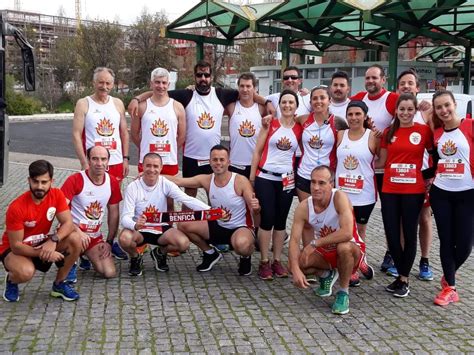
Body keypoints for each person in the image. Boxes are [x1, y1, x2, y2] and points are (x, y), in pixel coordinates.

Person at [129, 61, 265, 197]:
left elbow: (246, 93)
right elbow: (159, 91)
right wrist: (136, 98)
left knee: (216, 196)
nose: (203, 79)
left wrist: (267, 102)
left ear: (211, 77)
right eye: (200, 75)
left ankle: (214, 219)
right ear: (195, 77)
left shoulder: (221, 94)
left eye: (206, 75)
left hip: (214, 158)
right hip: (191, 157)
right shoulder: (187, 94)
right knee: (189, 195)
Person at [375, 93, 434, 298]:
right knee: (392, 235)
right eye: (402, 109)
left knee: (409, 234)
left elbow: (434, 154)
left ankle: (404, 278)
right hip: (390, 189)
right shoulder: (388, 132)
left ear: (415, 110)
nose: (406, 113)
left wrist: (427, 177)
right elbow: (381, 161)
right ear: (396, 111)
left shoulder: (423, 131)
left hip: (413, 191)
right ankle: (400, 274)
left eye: (410, 109)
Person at [169, 145, 260, 275]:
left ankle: (245, 257)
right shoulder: (207, 179)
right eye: (215, 159)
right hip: (217, 225)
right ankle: (210, 253)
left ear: (229, 162)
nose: (218, 163)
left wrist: (256, 209)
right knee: (183, 223)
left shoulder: (240, 181)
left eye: (222, 160)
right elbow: (178, 181)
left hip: (240, 227)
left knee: (242, 245)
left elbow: (254, 209)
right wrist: (152, 175)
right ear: (210, 161)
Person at [289, 165, 365, 315]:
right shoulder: (304, 206)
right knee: (299, 261)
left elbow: (347, 233)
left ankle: (343, 293)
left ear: (332, 184)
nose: (316, 187)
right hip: (326, 251)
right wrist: (295, 269)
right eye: (313, 182)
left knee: (344, 247)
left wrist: (314, 244)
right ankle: (326, 276)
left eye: (322, 183)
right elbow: (293, 241)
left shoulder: (339, 198)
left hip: (351, 249)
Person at [1, 160, 81, 302]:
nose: (39, 186)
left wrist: (53, 240)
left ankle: (59, 284)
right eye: (35, 182)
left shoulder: (56, 195)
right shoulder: (17, 207)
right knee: (26, 272)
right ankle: (12, 280)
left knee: (75, 239)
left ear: (52, 181)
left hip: (42, 242)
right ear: (29, 180)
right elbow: (16, 246)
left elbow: (68, 223)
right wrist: (46, 253)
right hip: (15, 250)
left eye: (44, 182)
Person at [119, 152, 211, 276]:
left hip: (160, 228)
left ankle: (160, 253)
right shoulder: (133, 187)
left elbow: (186, 199)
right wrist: (135, 224)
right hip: (139, 229)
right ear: (142, 167)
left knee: (183, 243)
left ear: (161, 168)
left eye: (156, 166)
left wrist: (210, 210)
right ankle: (135, 257)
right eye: (148, 166)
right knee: (124, 239)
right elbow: (125, 217)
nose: (152, 170)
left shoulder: (165, 183)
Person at [72, 66, 130, 261]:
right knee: (89, 202)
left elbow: (124, 132)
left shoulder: (118, 103)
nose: (104, 86)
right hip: (93, 163)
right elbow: (76, 134)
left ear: (113, 85)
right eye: (101, 82)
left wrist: (125, 157)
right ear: (94, 83)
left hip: (114, 162)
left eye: (108, 83)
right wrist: (83, 162)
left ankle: (111, 241)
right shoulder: (83, 103)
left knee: (113, 204)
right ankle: (84, 244)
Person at [250, 90, 303, 280]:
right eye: (284, 102)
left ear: (296, 106)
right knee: (267, 219)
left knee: (281, 221)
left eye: (291, 102)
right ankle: (264, 261)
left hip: (286, 179)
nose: (287, 105)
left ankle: (277, 260)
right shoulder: (270, 123)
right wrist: (252, 179)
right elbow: (257, 152)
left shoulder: (299, 127)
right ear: (279, 105)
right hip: (265, 177)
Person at [351, 64, 399, 272]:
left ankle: (392, 253)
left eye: (375, 78)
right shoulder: (360, 97)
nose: (371, 81)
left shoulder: (392, 98)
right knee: (359, 217)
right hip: (365, 168)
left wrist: (383, 134)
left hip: (385, 166)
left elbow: (405, 120)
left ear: (383, 79)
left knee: (389, 214)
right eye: (368, 78)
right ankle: (358, 256)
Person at [430, 90, 473, 306]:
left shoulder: (470, 126)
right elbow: (433, 161)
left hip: (468, 192)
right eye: (439, 107)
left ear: (455, 104)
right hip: (441, 193)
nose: (444, 110)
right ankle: (451, 288)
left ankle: (449, 274)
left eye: (447, 105)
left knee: (465, 243)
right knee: (446, 239)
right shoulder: (436, 133)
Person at [61, 146, 122, 280]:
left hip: (93, 236)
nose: (99, 163)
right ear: (88, 160)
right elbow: (60, 211)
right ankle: (69, 261)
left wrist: (109, 242)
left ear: (108, 161)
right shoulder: (75, 179)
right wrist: (77, 231)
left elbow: (114, 213)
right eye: (95, 159)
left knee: (109, 272)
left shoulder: (112, 181)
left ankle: (83, 255)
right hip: (72, 233)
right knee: (74, 239)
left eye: (103, 159)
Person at [396, 69, 435, 281]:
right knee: (403, 219)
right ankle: (400, 259)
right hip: (402, 177)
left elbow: (434, 143)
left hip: (423, 176)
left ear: (417, 88)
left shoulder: (425, 112)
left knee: (424, 218)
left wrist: (430, 176)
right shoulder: (399, 112)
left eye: (410, 83)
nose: (406, 86)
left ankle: (425, 260)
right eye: (402, 83)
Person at [335, 100, 377, 286]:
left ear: (365, 116)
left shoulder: (372, 136)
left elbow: (381, 160)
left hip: (364, 193)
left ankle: (358, 263)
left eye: (357, 114)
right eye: (350, 114)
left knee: (359, 232)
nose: (353, 117)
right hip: (342, 194)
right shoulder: (340, 134)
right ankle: (347, 263)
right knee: (343, 231)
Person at [130, 67, 186, 176]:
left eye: (164, 83)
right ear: (151, 84)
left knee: (169, 193)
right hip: (147, 161)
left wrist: (171, 149)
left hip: (169, 161)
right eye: (157, 82)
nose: (161, 86)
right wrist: (145, 147)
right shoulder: (142, 107)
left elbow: (182, 136)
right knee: (146, 192)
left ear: (168, 85)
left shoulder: (178, 107)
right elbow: (134, 134)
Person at [227, 72, 265, 178]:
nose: (245, 89)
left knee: (253, 194)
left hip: (255, 163)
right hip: (235, 163)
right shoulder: (231, 106)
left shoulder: (262, 108)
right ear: (238, 88)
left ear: (254, 88)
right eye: (242, 86)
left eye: (248, 86)